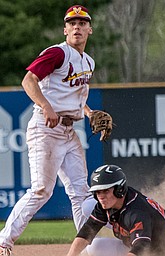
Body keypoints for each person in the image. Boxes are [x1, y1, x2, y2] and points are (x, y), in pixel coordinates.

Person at [0, 5, 99, 256]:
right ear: (65, 30)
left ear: (90, 29)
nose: (77, 27)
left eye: (82, 23)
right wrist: (45, 105)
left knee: (81, 192)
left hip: (69, 132)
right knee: (41, 190)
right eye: (72, 23)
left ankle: (85, 249)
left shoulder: (88, 61)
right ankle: (3, 242)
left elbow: (75, 96)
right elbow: (28, 80)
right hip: (46, 129)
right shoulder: (58, 53)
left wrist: (89, 113)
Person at [66, 164, 165, 256]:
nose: (101, 196)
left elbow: (141, 247)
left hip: (159, 249)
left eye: (106, 191)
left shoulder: (136, 213)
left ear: (119, 190)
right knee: (94, 247)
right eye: (98, 192)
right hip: (135, 242)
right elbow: (86, 232)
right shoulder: (106, 202)